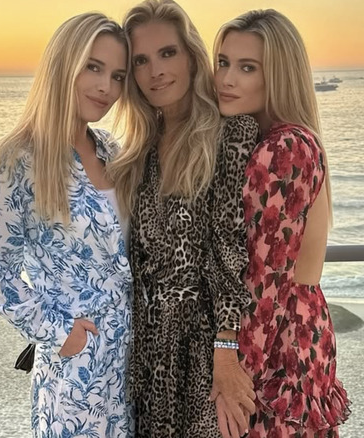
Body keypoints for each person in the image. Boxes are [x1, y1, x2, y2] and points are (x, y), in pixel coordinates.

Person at [0, 12, 132, 438]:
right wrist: (57, 331)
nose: (106, 88)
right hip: (76, 377)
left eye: (117, 75)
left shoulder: (111, 149)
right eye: (93, 67)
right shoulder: (17, 159)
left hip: (133, 365)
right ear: (64, 64)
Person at [107, 1, 259, 437]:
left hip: (204, 349)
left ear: (191, 56)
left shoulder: (230, 133)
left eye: (167, 53)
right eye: (141, 60)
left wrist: (227, 352)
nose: (156, 70)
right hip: (147, 350)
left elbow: (231, 252)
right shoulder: (141, 151)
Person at [213, 9, 350, 437]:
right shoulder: (297, 139)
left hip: (277, 343)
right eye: (223, 62)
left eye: (247, 67)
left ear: (279, 76)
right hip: (302, 331)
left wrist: (230, 377)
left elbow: (264, 280)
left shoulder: (284, 148)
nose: (227, 79)